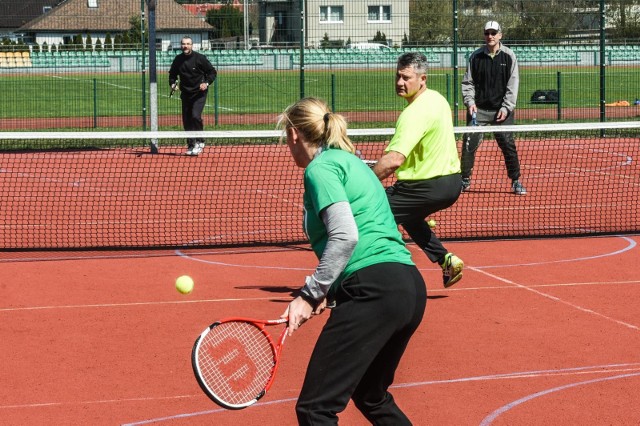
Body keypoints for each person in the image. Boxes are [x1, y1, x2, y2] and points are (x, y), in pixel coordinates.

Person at [278, 97, 426, 425]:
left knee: (315, 408)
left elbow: (346, 236)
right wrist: (329, 291)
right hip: (408, 287)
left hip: (373, 290)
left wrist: (310, 294)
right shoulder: (352, 162)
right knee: (371, 395)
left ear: (293, 135)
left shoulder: (321, 168)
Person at [372, 52, 464, 288]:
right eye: (398, 76)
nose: (400, 83)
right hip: (452, 184)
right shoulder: (438, 99)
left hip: (424, 186)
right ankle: (446, 260)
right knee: (411, 218)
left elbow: (394, 160)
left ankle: (377, 280)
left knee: (367, 217)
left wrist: (364, 183)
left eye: (406, 78)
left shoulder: (413, 113)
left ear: (423, 79)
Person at [461, 21, 526, 195]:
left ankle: (516, 181)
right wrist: (470, 102)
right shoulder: (475, 57)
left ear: (500, 35)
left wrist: (506, 108)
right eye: (487, 33)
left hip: (501, 110)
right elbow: (468, 83)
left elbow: (513, 85)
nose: (490, 36)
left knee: (507, 144)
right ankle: (464, 179)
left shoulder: (509, 56)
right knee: (469, 145)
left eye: (493, 33)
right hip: (479, 110)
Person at [169, 36, 217, 156]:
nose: (185, 46)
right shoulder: (178, 60)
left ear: (192, 45)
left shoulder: (200, 58)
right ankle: (191, 145)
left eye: (188, 44)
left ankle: (200, 142)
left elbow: (212, 72)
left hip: (199, 93)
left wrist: (206, 83)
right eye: (183, 44)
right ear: (181, 45)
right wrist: (173, 84)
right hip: (185, 94)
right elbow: (172, 75)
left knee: (195, 116)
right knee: (187, 121)